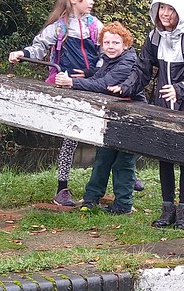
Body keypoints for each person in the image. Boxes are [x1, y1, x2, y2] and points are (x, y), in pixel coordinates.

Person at [109, 0, 184, 231]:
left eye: (170, 9)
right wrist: (124, 88)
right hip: (163, 103)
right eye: (161, 8)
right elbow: (142, 69)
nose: (165, 14)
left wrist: (180, 88)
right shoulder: (155, 37)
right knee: (164, 155)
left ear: (180, 11)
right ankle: (167, 210)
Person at [8, 0, 102, 207]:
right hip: (66, 89)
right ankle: (62, 188)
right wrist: (22, 52)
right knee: (70, 137)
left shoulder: (95, 26)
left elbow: (107, 55)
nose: (91, 2)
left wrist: (92, 74)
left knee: (104, 135)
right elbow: (39, 47)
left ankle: (124, 176)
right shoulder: (58, 27)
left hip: (93, 87)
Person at [54, 21, 145, 215]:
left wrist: (73, 82)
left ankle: (123, 205)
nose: (110, 47)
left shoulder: (129, 61)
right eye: (107, 43)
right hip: (112, 115)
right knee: (103, 157)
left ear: (125, 45)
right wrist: (88, 73)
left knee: (123, 162)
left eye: (116, 43)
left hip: (132, 116)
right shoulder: (108, 59)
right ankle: (91, 199)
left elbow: (105, 83)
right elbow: (101, 74)